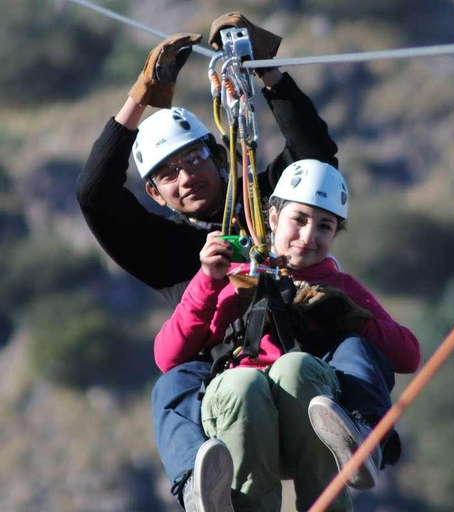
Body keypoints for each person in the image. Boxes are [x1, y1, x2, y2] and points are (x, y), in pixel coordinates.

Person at [75, 13, 341, 511]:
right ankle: (197, 485)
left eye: (193, 159)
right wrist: (142, 98)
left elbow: (314, 157)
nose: (186, 176)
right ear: (154, 194)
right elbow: (94, 192)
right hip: (228, 388)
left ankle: (363, 430)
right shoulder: (165, 249)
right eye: (168, 174)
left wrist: (268, 72)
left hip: (302, 369)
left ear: (220, 156)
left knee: (355, 346)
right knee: (172, 385)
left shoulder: (271, 206)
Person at [155, 160, 420, 511]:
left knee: (298, 367)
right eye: (299, 219)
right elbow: (168, 358)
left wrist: (351, 319)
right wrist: (207, 281)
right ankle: (199, 483)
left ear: (335, 235)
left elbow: (407, 355)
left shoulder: (338, 286)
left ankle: (363, 437)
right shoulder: (231, 276)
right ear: (274, 217)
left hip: (310, 413)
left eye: (324, 226)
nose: (309, 236)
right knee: (238, 384)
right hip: (241, 407)